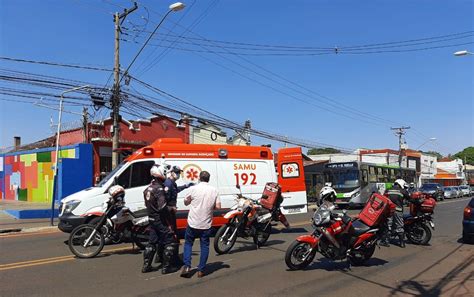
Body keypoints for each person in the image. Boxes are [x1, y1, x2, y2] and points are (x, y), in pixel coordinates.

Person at [180, 171, 221, 278]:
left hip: (193, 222)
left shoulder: (193, 189)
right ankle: (201, 270)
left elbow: (186, 202)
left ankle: (187, 266)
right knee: (204, 246)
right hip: (206, 224)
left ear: (199, 178)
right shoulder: (214, 190)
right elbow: (218, 207)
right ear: (209, 179)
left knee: (188, 243)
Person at [142, 164, 178, 274]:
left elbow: (146, 203)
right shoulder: (159, 189)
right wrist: (171, 209)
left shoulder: (148, 188)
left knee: (151, 243)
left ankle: (146, 266)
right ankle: (166, 267)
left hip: (151, 219)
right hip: (160, 219)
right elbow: (162, 206)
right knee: (170, 241)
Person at [164, 165, 194, 236]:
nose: (178, 175)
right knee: (170, 229)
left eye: (179, 173)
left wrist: (185, 186)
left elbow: (175, 190)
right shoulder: (168, 183)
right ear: (171, 173)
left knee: (173, 228)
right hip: (168, 211)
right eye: (177, 173)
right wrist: (170, 207)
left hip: (171, 211)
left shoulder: (172, 183)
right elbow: (165, 199)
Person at [380, 178, 411, 248]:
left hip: (389, 211)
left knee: (388, 225)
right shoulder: (403, 191)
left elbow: (383, 199)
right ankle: (402, 243)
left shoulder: (387, 190)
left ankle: (386, 242)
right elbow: (410, 198)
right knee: (400, 226)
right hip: (398, 211)